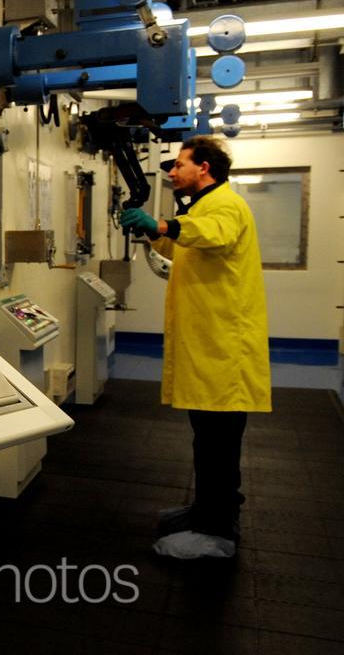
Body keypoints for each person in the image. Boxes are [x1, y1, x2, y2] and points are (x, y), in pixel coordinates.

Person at [119, 135, 271, 560]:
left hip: (224, 350)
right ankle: (205, 510)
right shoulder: (201, 206)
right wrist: (150, 231)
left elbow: (213, 235)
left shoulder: (224, 205)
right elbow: (182, 244)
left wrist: (163, 225)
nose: (171, 172)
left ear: (204, 168)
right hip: (209, 347)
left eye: (179, 165)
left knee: (218, 445)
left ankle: (218, 532)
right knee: (207, 440)